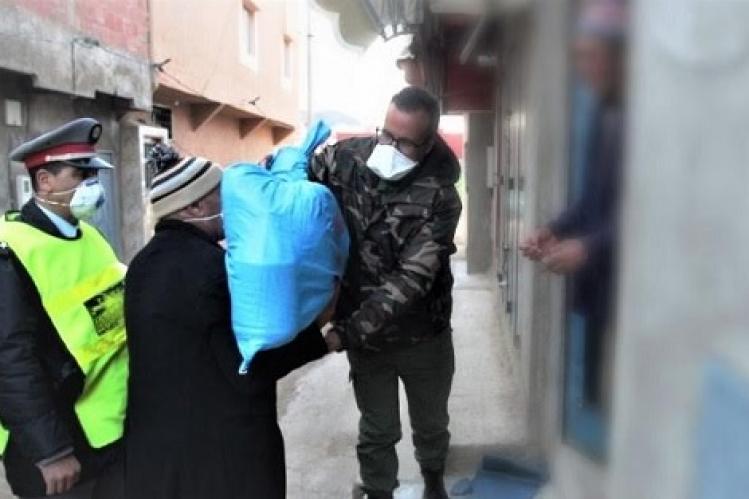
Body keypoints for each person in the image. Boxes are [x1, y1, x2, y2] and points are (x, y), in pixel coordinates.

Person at [124, 152, 335, 499]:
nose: (232, 203)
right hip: (221, 458)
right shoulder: (214, 269)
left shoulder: (141, 265)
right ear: (193, 207)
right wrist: (322, 336)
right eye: (222, 195)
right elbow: (247, 368)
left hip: (157, 455)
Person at [310, 86, 462, 499]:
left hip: (423, 335)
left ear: (427, 144)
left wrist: (346, 332)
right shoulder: (349, 158)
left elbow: (411, 280)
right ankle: (379, 492)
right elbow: (302, 176)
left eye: (404, 142)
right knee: (377, 429)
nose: (390, 148)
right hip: (369, 342)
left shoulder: (440, 196)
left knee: (431, 424)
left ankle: (433, 481)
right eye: (386, 134)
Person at [0, 118, 127, 498]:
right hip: (58, 450)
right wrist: (50, 451)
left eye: (94, 174)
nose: (93, 185)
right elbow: (11, 360)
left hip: (106, 429)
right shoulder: (11, 251)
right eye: (81, 174)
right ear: (44, 181)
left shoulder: (90, 236)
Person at [520, 0, 626, 405]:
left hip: (635, 296)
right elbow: (592, 201)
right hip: (601, 294)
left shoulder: (652, 121)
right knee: (599, 398)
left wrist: (588, 248)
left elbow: (653, 213)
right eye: (578, 57)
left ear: (621, 56)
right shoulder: (605, 115)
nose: (583, 68)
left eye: (590, 56)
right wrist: (553, 230)